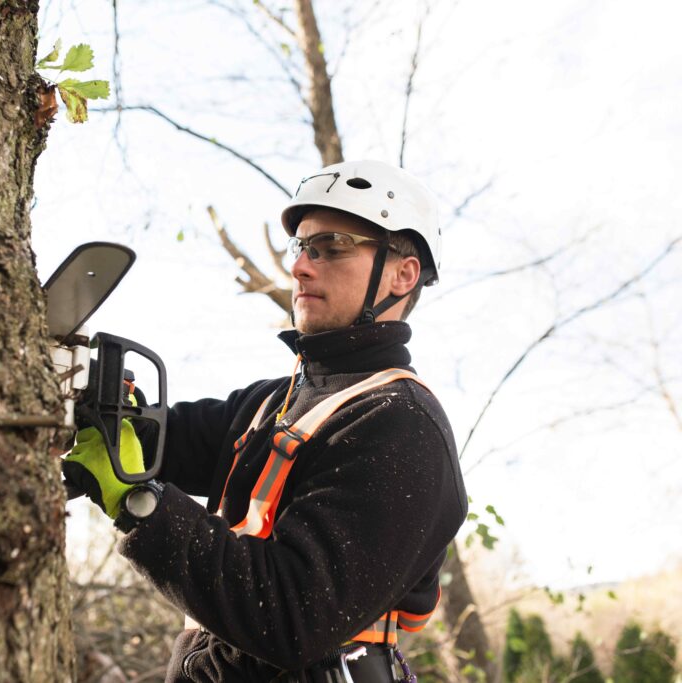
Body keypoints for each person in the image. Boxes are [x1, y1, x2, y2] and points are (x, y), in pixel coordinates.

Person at [64, 160, 468, 682]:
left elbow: (291, 617)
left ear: (402, 273)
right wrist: (89, 394)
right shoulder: (272, 402)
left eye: (333, 247)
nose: (301, 266)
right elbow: (160, 437)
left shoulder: (400, 426)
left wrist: (141, 506)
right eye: (301, 247)